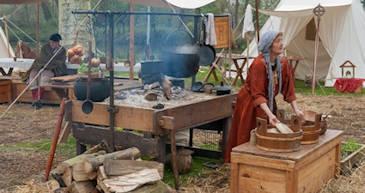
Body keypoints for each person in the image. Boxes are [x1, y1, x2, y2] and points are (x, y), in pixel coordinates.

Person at [224, 31, 304, 162]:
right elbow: (257, 94)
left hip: (266, 102)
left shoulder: (282, 64)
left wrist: (296, 110)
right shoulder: (259, 64)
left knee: (268, 131)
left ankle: (264, 161)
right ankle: (244, 162)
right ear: (269, 45)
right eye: (277, 41)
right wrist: (270, 114)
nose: (281, 44)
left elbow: (288, 89)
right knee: (248, 133)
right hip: (250, 103)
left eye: (281, 40)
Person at [24, 33, 67, 109]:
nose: (52, 44)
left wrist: (48, 66)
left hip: (53, 69)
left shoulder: (62, 50)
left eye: (54, 42)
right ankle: (35, 100)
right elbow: (42, 58)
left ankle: (38, 99)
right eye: (51, 42)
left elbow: (60, 62)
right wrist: (42, 66)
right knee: (32, 77)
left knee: (44, 78)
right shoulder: (45, 48)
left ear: (58, 42)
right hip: (38, 66)